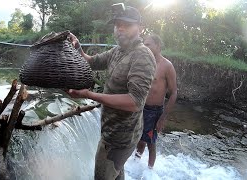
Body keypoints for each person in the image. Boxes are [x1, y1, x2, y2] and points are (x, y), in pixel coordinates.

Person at [67, 3, 156, 180]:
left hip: (119, 139)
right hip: (111, 131)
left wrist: (88, 94)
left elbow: (134, 102)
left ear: (140, 28)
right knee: (116, 175)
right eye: (117, 25)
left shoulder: (142, 56)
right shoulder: (118, 51)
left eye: (127, 25)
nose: (120, 29)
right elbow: (91, 62)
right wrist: (77, 48)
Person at [135, 34, 177, 168]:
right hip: (141, 108)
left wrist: (163, 118)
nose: (144, 47)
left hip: (155, 112)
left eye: (148, 45)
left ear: (158, 46)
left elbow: (174, 93)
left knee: (151, 143)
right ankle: (135, 164)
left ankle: (150, 172)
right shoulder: (145, 63)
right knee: (139, 139)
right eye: (144, 44)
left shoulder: (167, 66)